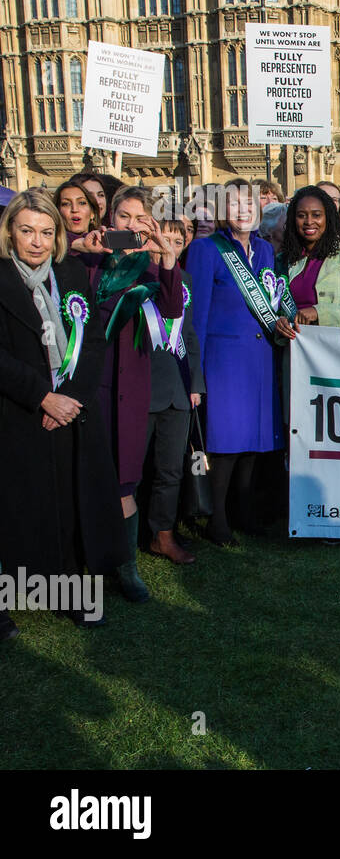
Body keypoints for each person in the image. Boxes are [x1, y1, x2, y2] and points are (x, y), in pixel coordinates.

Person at [0, 190, 125, 627]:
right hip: (19, 412)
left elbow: (91, 338)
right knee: (21, 508)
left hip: (71, 411)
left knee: (71, 506)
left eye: (46, 232)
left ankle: (72, 590)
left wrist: (69, 397)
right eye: (27, 231)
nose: (36, 241)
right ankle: (13, 593)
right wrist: (41, 396)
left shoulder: (69, 271)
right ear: (10, 233)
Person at [75, 185, 187, 601]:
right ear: (110, 219)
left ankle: (127, 567)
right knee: (89, 472)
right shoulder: (90, 261)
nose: (133, 225)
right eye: (125, 217)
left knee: (125, 476)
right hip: (93, 382)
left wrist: (168, 259)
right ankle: (87, 561)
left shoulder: (150, 268)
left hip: (133, 383)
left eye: (142, 219)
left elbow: (173, 310)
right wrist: (80, 247)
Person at [185, 179, 284, 547]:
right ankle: (217, 518)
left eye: (250, 203)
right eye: (235, 203)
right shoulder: (206, 249)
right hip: (223, 361)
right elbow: (196, 316)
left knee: (254, 442)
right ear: (223, 210)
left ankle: (245, 511)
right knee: (224, 444)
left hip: (260, 358)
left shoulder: (264, 250)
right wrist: (196, 374)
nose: (244, 210)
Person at [140, 216, 204, 565]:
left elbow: (189, 334)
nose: (169, 247)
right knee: (135, 468)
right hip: (142, 386)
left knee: (170, 468)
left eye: (178, 241)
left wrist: (196, 383)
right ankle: (131, 535)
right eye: (162, 239)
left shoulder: (186, 281)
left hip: (178, 386)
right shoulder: (134, 279)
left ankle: (163, 535)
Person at [274, 185, 340, 340]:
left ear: (328, 217)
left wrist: (318, 312)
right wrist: (278, 322)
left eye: (316, 215)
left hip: (331, 350)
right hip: (293, 350)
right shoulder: (283, 259)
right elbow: (274, 307)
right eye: (301, 215)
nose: (309, 221)